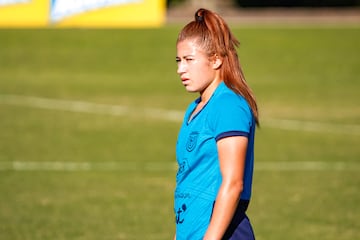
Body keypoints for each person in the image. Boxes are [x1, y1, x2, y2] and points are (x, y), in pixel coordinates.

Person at [173, 8, 259, 240]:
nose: (181, 69)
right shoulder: (195, 108)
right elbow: (188, 181)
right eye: (179, 60)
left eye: (189, 60)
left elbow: (233, 184)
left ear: (216, 59)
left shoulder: (228, 106)